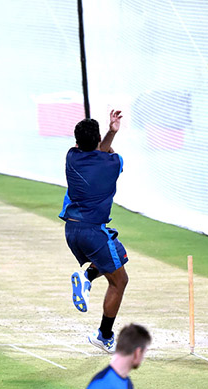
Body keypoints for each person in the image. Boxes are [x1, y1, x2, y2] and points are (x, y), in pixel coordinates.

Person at [60, 110, 128, 352]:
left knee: (120, 255)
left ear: (77, 143)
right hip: (93, 233)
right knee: (120, 281)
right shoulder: (113, 163)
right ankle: (104, 335)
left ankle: (86, 279)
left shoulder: (71, 157)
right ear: (98, 140)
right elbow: (105, 152)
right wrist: (111, 133)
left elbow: (97, 150)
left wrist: (109, 132)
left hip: (72, 230)